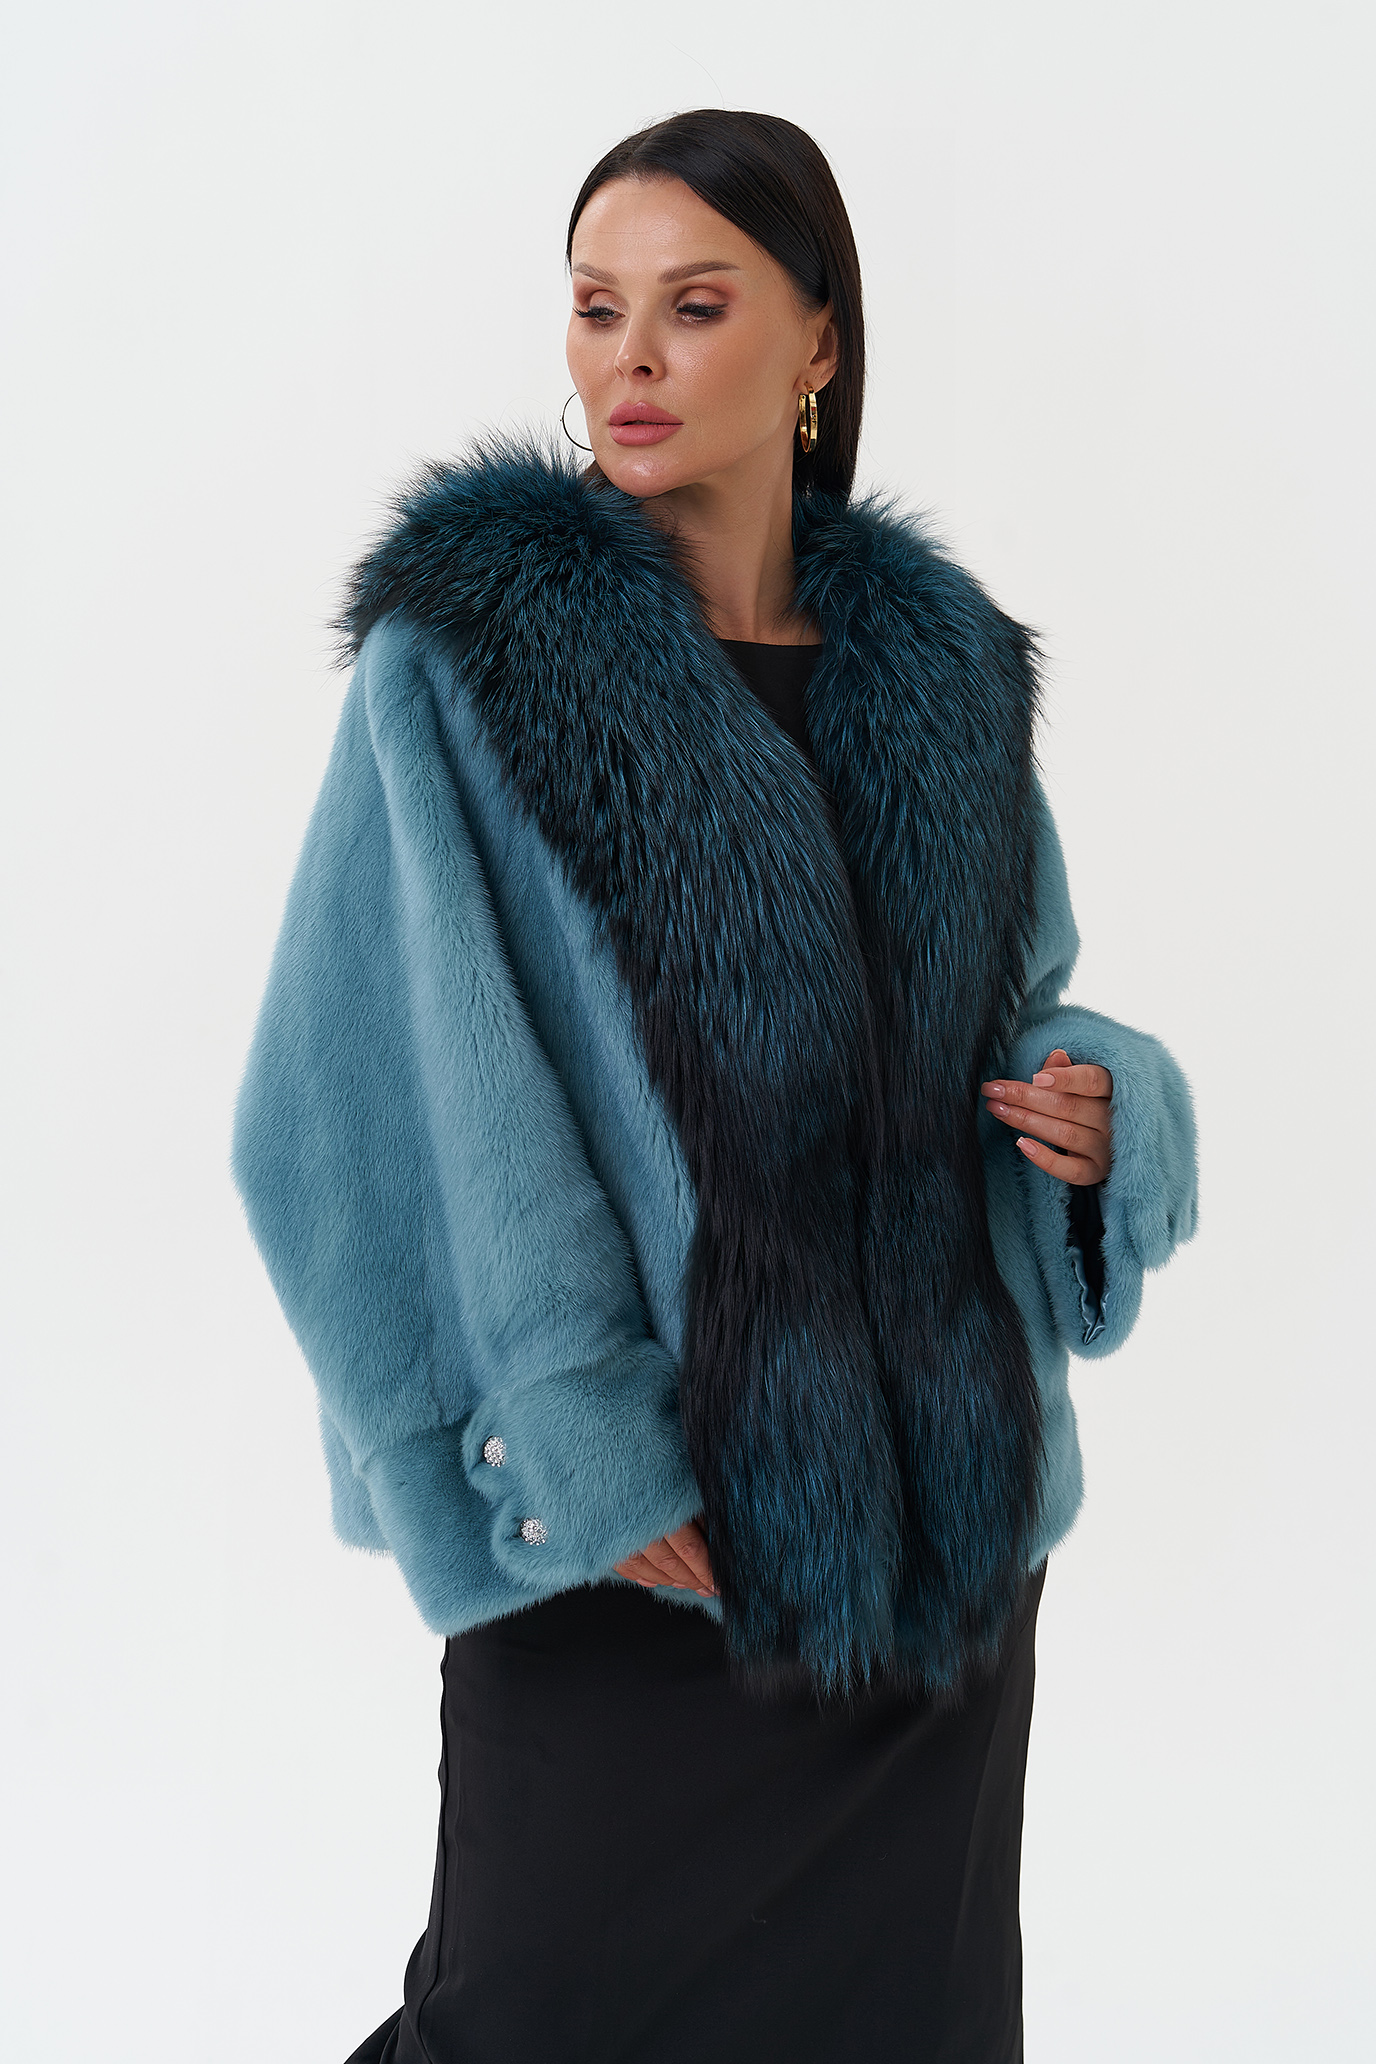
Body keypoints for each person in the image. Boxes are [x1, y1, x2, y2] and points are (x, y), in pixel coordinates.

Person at [233, 109, 1197, 2064]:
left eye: (694, 304)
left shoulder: (943, 675)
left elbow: (1014, 1013)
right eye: (597, 309)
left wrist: (1105, 1104)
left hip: (934, 1549)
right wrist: (576, 1443)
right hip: (638, 1546)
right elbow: (337, 1119)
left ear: (817, 343)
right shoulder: (472, 666)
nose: (632, 360)